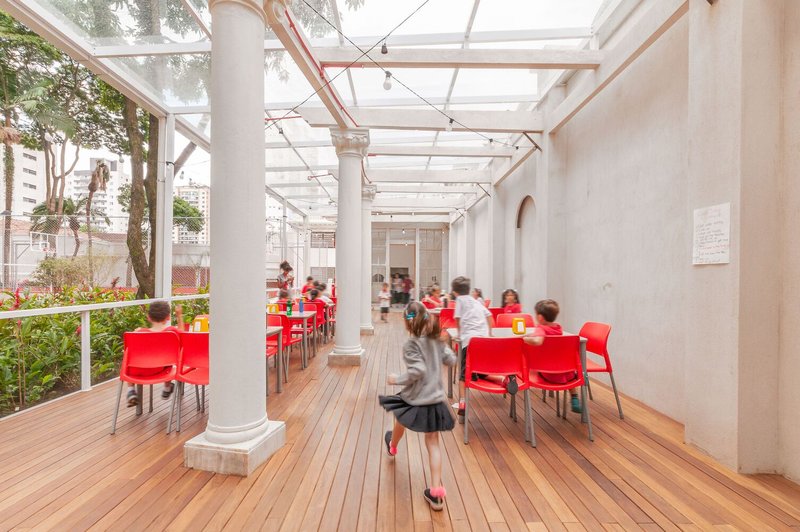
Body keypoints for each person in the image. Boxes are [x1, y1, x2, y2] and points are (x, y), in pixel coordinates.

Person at [379, 302, 456, 511]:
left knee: (401, 417)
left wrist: (397, 379)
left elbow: (418, 371)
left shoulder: (411, 345)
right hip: (435, 398)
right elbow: (451, 359)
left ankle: (392, 446)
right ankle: (436, 492)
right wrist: (444, 344)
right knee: (433, 442)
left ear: (407, 322)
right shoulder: (436, 340)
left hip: (416, 397)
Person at [446, 276, 492, 424]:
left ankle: (462, 403)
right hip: (484, 341)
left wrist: (459, 334)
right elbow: (489, 315)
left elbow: (458, 319)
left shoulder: (460, 301)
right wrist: (490, 333)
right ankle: (507, 379)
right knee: (483, 369)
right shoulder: (476, 301)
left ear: (455, 292)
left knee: (463, 375)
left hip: (470, 342)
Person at [522, 299, 581, 413]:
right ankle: (574, 398)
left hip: (547, 374)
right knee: (568, 372)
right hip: (564, 370)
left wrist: (524, 339)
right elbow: (548, 335)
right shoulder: (558, 328)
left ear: (540, 317)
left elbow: (538, 341)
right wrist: (532, 334)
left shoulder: (541, 328)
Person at [126, 301, 183, 407]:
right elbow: (183, 334)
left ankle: (131, 390)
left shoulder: (139, 333)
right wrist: (179, 316)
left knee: (129, 357)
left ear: (148, 317)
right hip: (159, 370)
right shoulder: (171, 332)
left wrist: (136, 332)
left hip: (135, 372)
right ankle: (167, 388)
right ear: (168, 317)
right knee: (168, 360)